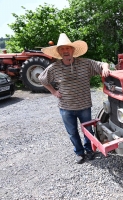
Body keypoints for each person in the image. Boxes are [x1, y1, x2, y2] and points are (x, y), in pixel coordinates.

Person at [38, 33, 110, 164]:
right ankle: (79, 152)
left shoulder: (85, 64)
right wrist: (54, 91)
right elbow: (41, 79)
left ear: (73, 50)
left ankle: (89, 150)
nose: (66, 51)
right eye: (62, 49)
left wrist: (105, 68)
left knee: (88, 130)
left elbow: (102, 64)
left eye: (68, 48)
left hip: (84, 105)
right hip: (66, 107)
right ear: (59, 52)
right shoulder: (54, 68)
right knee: (72, 132)